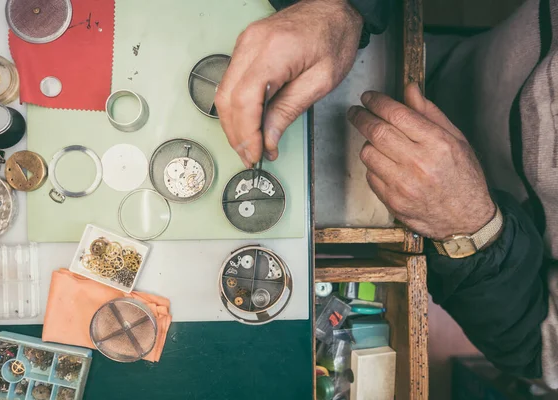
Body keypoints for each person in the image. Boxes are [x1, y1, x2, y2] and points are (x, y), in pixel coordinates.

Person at [217, 0, 558, 389]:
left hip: (421, 215)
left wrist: (470, 227)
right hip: (423, 60)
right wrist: (344, 7)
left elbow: (538, 351)